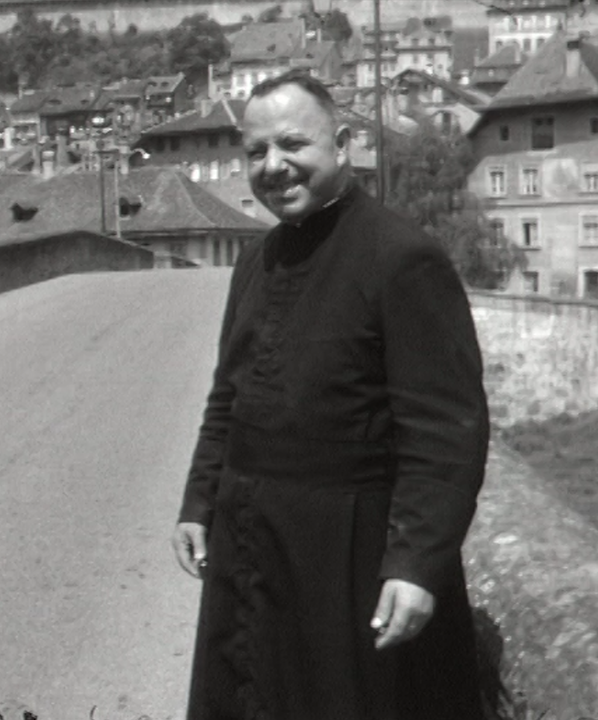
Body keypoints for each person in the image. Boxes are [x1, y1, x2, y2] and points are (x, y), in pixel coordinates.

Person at [171, 70, 490, 720]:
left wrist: (417, 561)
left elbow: (446, 432)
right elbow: (227, 399)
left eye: (293, 144)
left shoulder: (402, 257)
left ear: (341, 144)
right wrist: (199, 500)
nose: (273, 166)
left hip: (348, 561)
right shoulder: (255, 261)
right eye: (256, 151)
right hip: (252, 548)